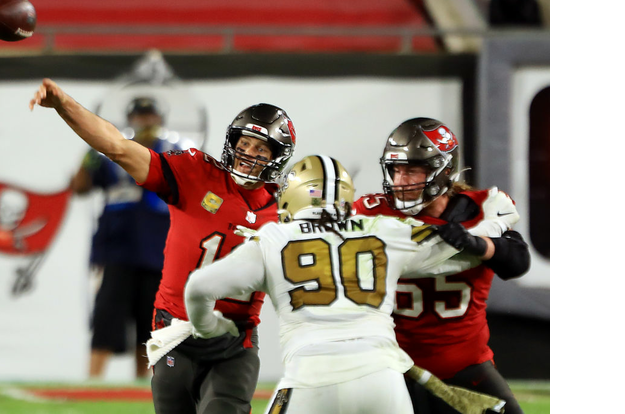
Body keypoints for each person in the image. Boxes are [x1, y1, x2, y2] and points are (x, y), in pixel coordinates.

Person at [30, 78, 296, 414]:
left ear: (277, 157)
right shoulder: (196, 174)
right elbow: (116, 146)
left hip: (235, 340)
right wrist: (63, 104)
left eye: (261, 148)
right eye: (244, 142)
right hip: (177, 333)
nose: (248, 154)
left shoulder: (286, 211)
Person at [183, 154, 517, 414]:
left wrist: (208, 327)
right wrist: (496, 223)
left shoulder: (273, 238)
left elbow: (199, 287)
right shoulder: (383, 230)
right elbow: (458, 251)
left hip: (310, 375)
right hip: (382, 376)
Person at [353, 117, 531, 414]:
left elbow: (517, 261)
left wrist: (477, 244)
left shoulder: (482, 209)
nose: (400, 181)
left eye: (411, 170)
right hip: (393, 368)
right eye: (395, 169)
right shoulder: (372, 213)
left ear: (442, 171)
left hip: (466, 365)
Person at [70, 96, 178, 379]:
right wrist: (89, 151)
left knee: (151, 329)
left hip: (158, 254)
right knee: (106, 321)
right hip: (117, 252)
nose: (146, 121)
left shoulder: (174, 154)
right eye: (140, 116)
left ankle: (142, 390)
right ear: (130, 120)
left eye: (150, 115)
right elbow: (79, 187)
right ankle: (92, 385)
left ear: (160, 119)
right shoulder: (109, 154)